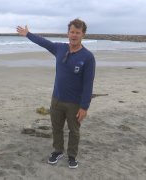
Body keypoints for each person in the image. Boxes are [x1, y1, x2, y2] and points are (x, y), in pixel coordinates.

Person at [17, 18, 96, 169]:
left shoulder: (88, 57)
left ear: (83, 35)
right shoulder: (60, 49)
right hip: (57, 99)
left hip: (74, 103)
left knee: (74, 131)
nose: (74, 35)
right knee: (56, 127)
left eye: (77, 33)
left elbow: (88, 84)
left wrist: (84, 107)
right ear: (68, 33)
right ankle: (57, 150)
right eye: (72, 32)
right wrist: (28, 34)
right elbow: (44, 42)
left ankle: (72, 155)